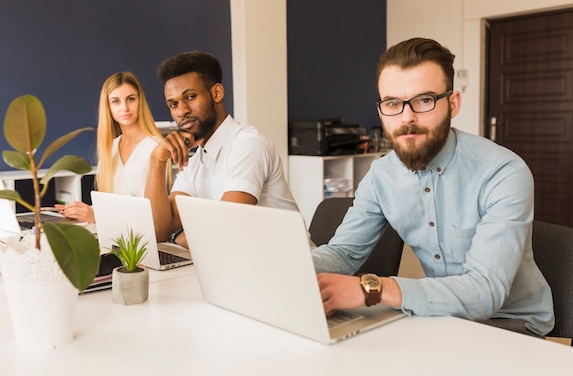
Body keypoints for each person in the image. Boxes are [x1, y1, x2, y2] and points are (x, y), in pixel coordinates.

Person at [313, 37, 554, 337]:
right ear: (381, 110)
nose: (407, 117)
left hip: (512, 325)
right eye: (392, 103)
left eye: (424, 100)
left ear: (453, 103)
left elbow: (485, 290)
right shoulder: (381, 176)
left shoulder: (503, 172)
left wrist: (374, 289)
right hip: (440, 317)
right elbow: (344, 255)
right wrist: (288, 266)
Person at [144, 50, 299, 248]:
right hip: (239, 264)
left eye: (190, 97)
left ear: (216, 93)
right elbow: (158, 231)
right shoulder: (195, 161)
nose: (181, 111)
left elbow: (225, 226)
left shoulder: (248, 144)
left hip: (285, 264)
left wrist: (177, 239)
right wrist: (156, 162)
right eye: (173, 104)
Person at [57, 71, 164, 222]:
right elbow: (114, 203)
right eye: (116, 101)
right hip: (114, 233)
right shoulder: (111, 147)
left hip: (142, 238)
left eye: (131, 99)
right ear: (108, 106)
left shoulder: (156, 147)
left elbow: (154, 214)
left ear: (140, 101)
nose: (124, 108)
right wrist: (81, 211)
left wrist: (97, 216)